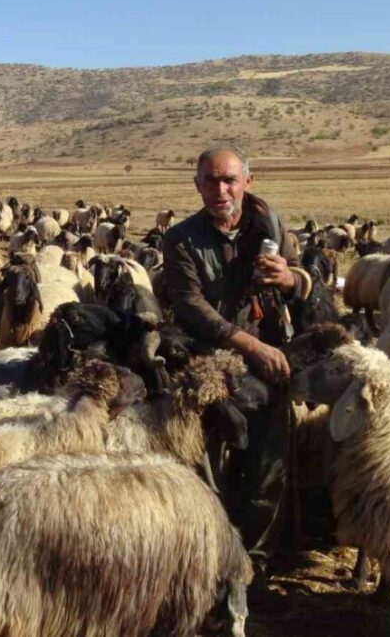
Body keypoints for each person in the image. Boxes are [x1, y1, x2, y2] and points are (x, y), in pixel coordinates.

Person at [161, 145, 304, 570]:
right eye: (211, 180)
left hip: (268, 361)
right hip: (206, 363)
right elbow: (191, 307)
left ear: (247, 181)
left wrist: (289, 279)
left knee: (266, 462)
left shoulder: (272, 230)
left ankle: (254, 563)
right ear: (198, 185)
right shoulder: (182, 239)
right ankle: (205, 555)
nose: (220, 189)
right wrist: (252, 346)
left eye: (229, 180)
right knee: (204, 465)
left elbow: (304, 282)